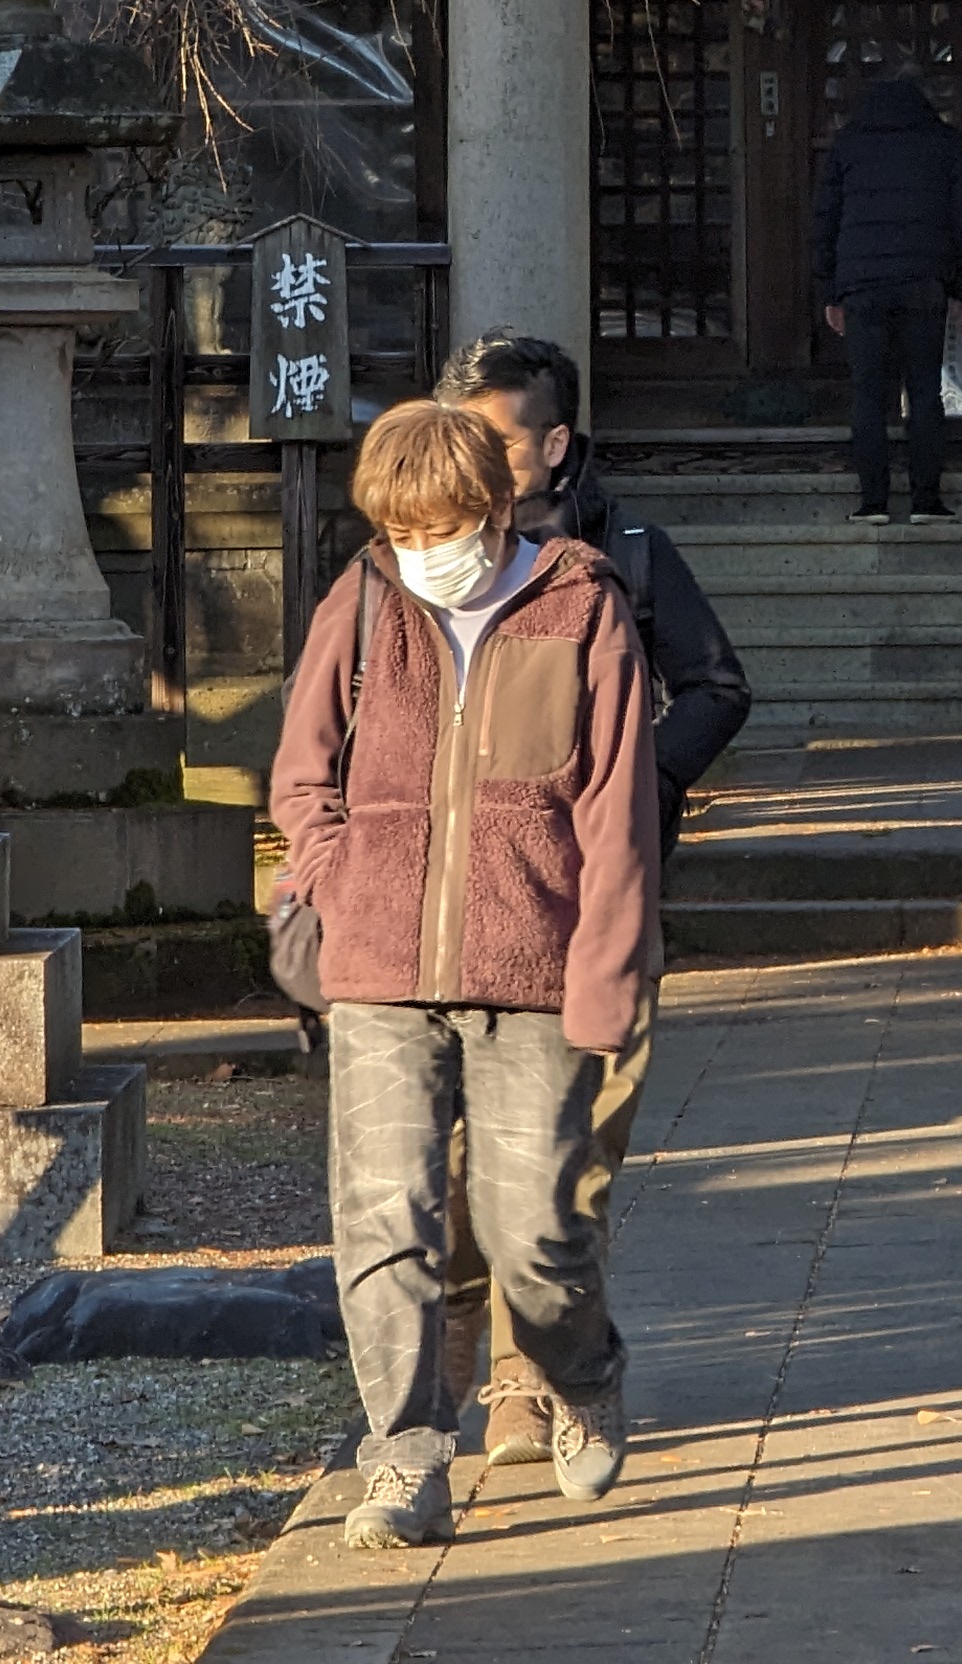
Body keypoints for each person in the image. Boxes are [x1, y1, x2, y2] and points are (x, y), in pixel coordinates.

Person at [271, 401, 659, 1549]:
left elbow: (617, 813)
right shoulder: (366, 599)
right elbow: (303, 774)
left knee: (534, 1227)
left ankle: (580, 1375)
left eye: (438, 524)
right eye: (398, 528)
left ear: (494, 507)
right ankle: (401, 1460)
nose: (419, 547)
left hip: (534, 966)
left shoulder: (582, 608)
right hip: (381, 970)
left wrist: (605, 975)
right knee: (385, 1217)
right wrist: (338, 881)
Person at [431, 327, 752, 1468]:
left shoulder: (627, 552)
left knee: (570, 1159)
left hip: (597, 907)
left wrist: (641, 781)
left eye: (500, 442)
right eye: (458, 437)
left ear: (555, 444)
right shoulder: (415, 563)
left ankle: (532, 1379)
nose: (475, 464)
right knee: (457, 1156)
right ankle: (457, 1332)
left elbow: (719, 687)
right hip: (458, 907)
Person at [808, 62, 962, 521]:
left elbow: (825, 219)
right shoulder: (945, 142)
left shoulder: (850, 143)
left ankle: (873, 502)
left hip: (862, 284)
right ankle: (927, 500)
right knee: (924, 390)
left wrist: (830, 289)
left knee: (867, 392)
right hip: (923, 281)